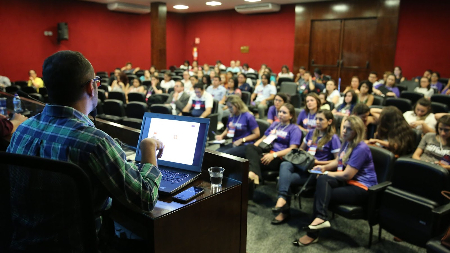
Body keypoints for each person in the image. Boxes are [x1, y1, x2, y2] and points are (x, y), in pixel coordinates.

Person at [7, 50, 163, 251]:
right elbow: (145, 198)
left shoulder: (23, 130)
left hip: (21, 244)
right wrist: (148, 150)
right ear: (91, 87)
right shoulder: (94, 143)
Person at [295, 116, 377, 246]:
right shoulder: (346, 142)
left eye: (349, 129)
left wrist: (326, 172)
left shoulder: (361, 148)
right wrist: (324, 167)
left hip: (362, 188)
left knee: (321, 192)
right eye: (343, 127)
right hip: (349, 183)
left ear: (357, 131)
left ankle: (314, 231)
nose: (344, 131)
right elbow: (338, 161)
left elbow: (347, 175)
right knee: (322, 181)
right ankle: (320, 219)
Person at [273, 110, 341, 224]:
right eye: (316, 119)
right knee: (285, 164)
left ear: (329, 122)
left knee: (284, 179)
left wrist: (318, 163)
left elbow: (337, 161)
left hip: (316, 171)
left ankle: (284, 209)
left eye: (321, 119)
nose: (317, 122)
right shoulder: (311, 133)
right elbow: (300, 150)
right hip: (303, 166)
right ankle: (282, 199)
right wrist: (302, 158)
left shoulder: (333, 138)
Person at [245, 103, 302, 185]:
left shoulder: (294, 129)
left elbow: (292, 149)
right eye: (280, 112)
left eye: (284, 113)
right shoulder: (275, 124)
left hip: (279, 157)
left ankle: (254, 176)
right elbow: (263, 138)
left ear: (291, 116)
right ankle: (254, 176)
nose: (281, 114)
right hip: (266, 150)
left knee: (248, 163)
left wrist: (273, 155)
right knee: (250, 147)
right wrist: (254, 149)